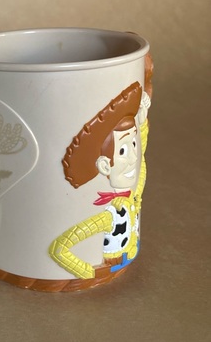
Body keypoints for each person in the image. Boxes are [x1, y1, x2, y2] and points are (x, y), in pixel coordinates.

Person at [49, 81, 151, 280]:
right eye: (123, 150)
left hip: (128, 259)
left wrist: (142, 122)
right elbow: (59, 249)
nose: (133, 157)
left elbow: (142, 157)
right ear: (105, 166)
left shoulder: (134, 191)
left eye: (133, 144)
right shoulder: (111, 216)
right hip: (112, 267)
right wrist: (89, 272)